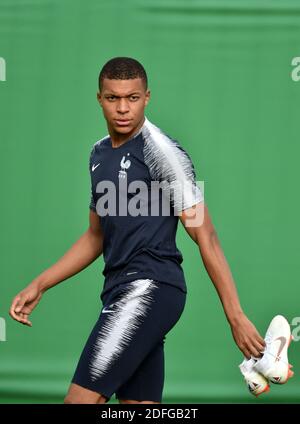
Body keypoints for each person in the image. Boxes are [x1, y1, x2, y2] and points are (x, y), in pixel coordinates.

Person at [9, 57, 266, 404]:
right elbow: (95, 236)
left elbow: (206, 235)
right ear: (99, 99)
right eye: (113, 98)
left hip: (149, 287)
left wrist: (235, 316)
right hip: (118, 290)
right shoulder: (98, 154)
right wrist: (41, 283)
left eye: (132, 98)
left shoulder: (162, 152)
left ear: (147, 97)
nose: (123, 108)